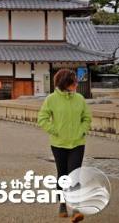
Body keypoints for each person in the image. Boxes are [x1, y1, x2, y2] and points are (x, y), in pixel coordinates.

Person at [38, 69, 92, 220]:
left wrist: (82, 131)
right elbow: (42, 118)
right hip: (58, 144)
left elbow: (87, 118)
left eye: (76, 81)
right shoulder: (51, 99)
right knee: (62, 175)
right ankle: (62, 204)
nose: (76, 84)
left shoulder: (80, 99)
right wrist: (54, 130)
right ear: (64, 83)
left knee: (74, 174)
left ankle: (75, 208)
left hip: (77, 143)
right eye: (73, 82)